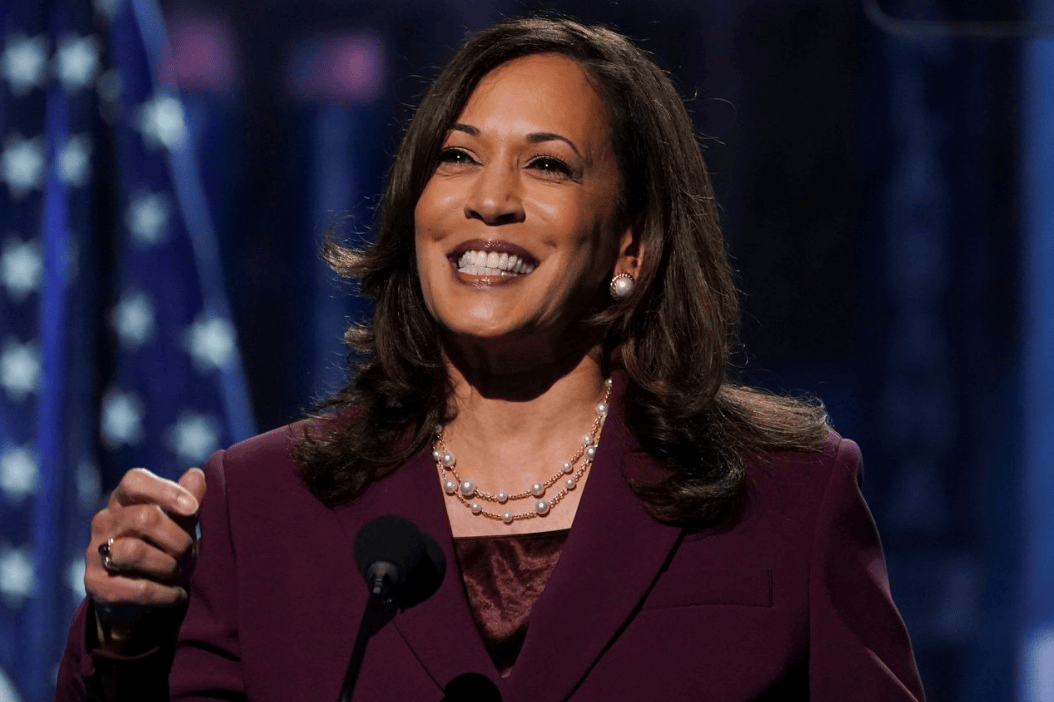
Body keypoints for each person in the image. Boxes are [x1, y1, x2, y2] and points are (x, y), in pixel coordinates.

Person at [56, 16, 925, 702]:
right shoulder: (260, 508)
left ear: (630, 245)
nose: (490, 200)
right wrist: (124, 637)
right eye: (459, 156)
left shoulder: (785, 496)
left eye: (547, 165)